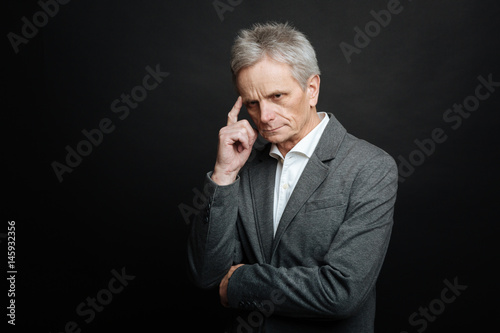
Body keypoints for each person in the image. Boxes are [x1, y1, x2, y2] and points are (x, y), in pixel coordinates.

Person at [187, 21, 398, 332]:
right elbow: (207, 273)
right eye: (252, 103)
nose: (265, 117)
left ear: (311, 89)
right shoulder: (243, 164)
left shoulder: (371, 167)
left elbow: (341, 293)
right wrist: (224, 173)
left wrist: (241, 283)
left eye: (277, 96)